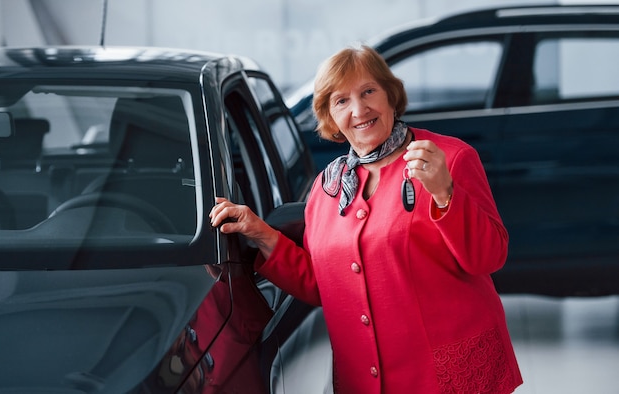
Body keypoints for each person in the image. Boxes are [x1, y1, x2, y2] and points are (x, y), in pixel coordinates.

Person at [210, 44, 523, 393]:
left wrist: (444, 193)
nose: (359, 109)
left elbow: (489, 256)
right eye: (341, 101)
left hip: (449, 376)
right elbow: (324, 285)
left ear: (391, 95)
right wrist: (262, 234)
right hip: (367, 381)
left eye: (369, 91)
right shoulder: (326, 190)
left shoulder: (449, 158)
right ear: (330, 118)